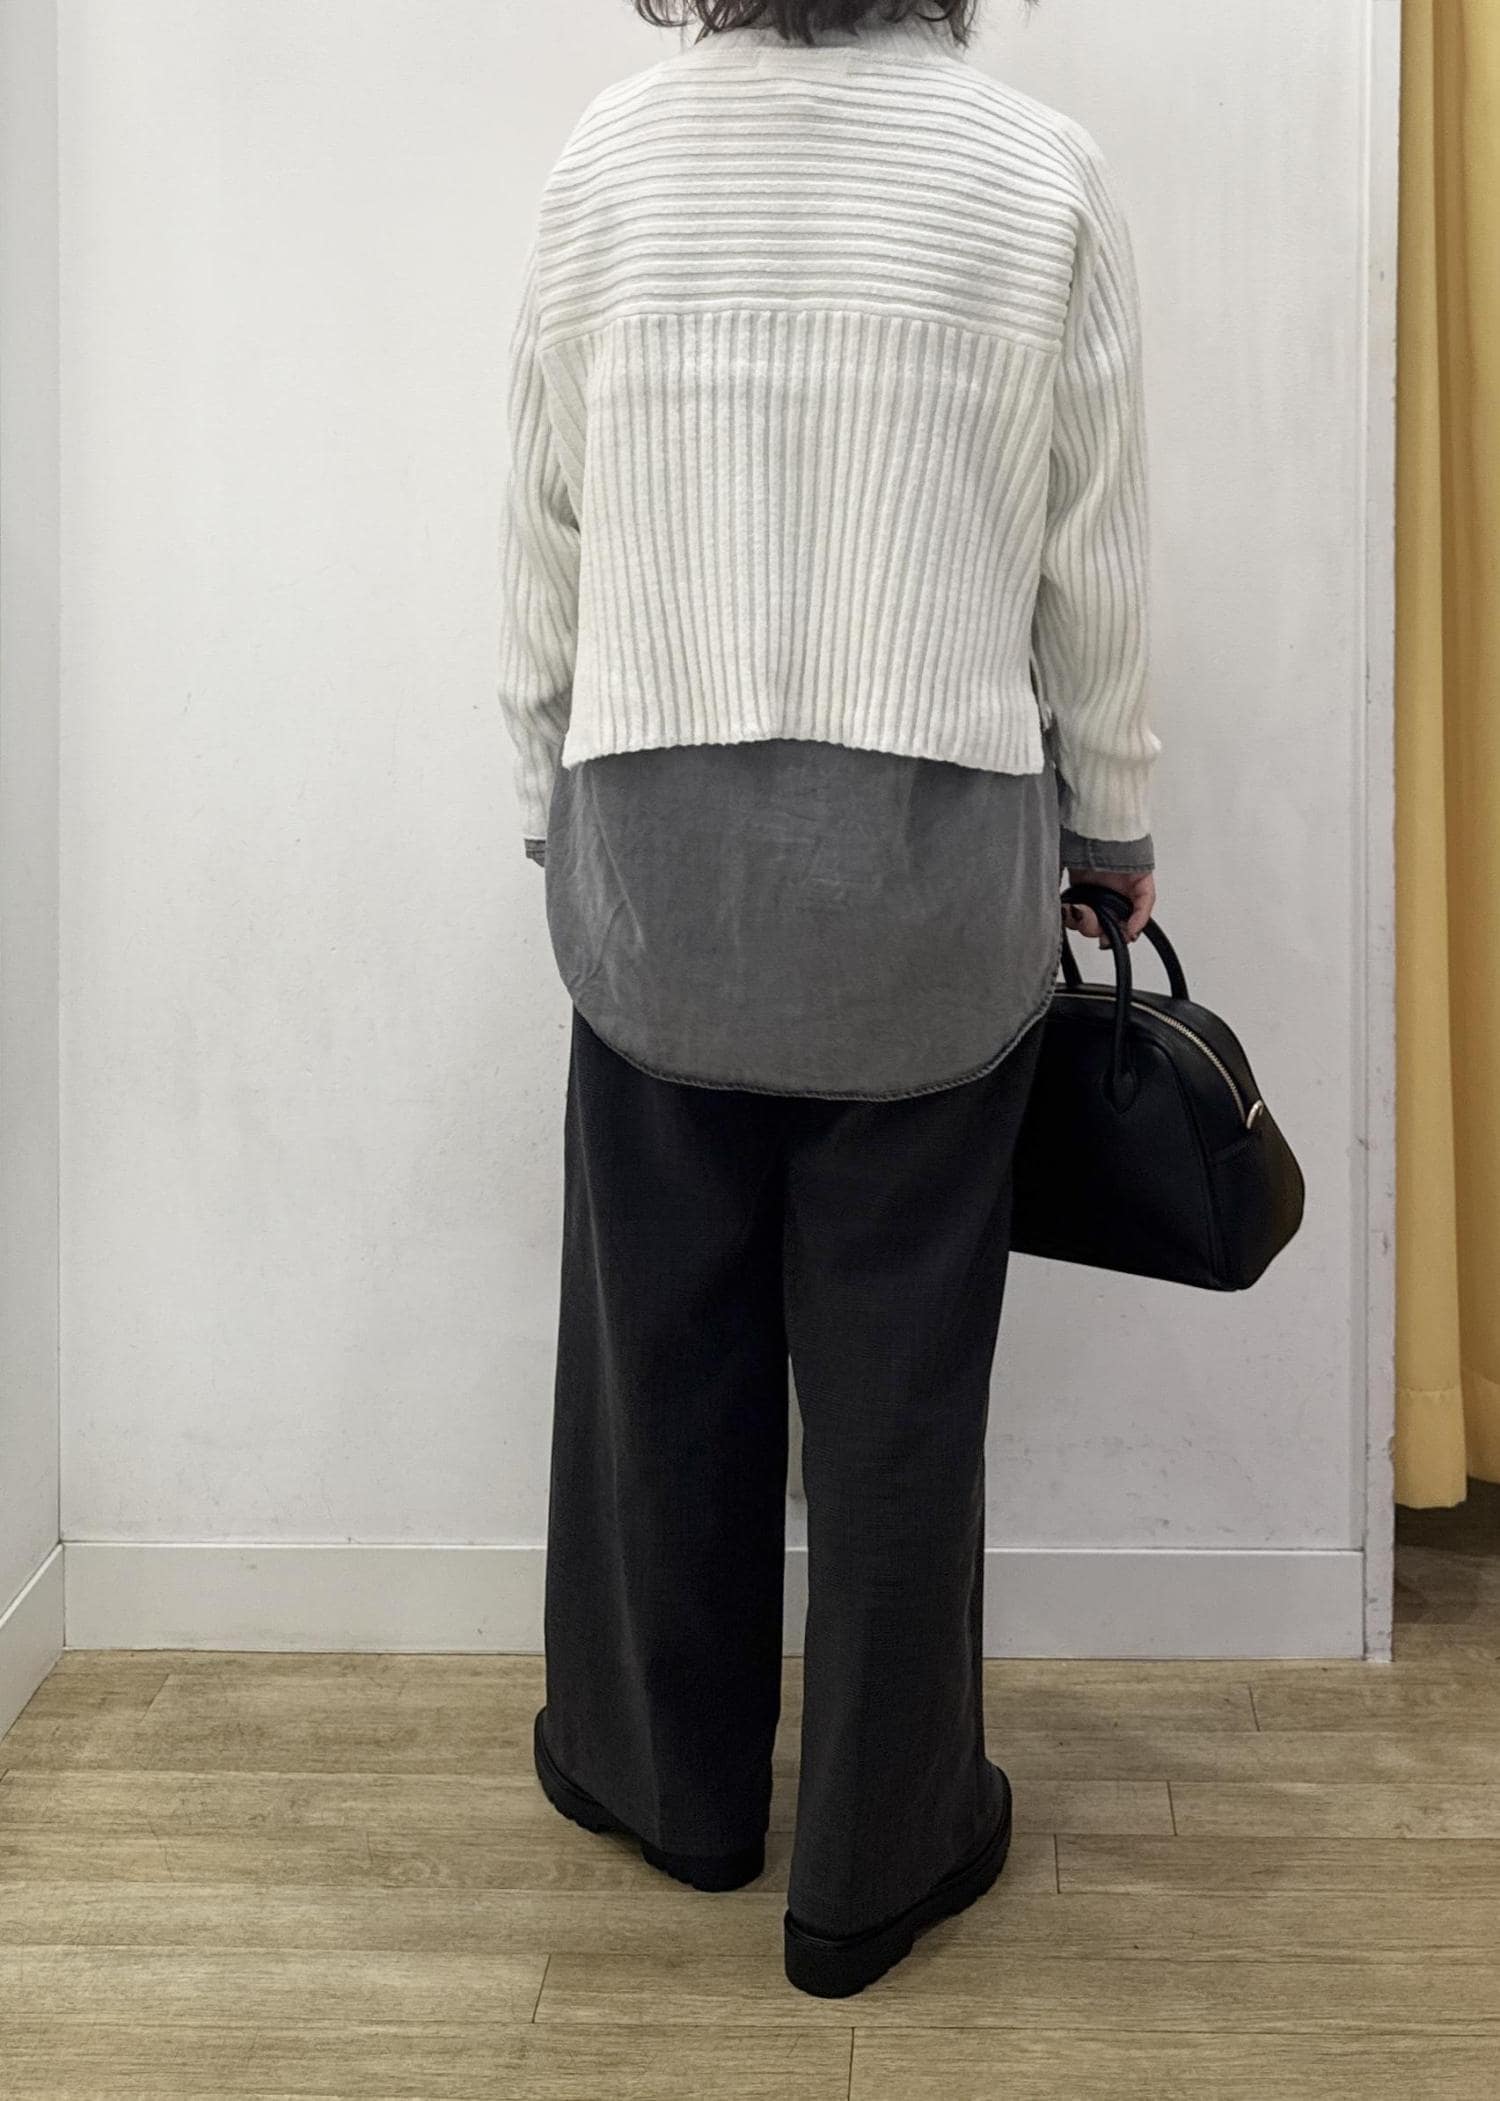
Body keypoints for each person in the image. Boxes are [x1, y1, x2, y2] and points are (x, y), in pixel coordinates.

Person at [497, 0, 1161, 1998]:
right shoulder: (1038, 173)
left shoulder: (610, 161)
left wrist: (545, 792)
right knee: (901, 1389)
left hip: (659, 855)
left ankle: (672, 1786)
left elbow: (543, 530)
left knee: (660, 1349)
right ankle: (878, 1852)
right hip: (931, 875)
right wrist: (1114, 819)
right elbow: (1093, 557)